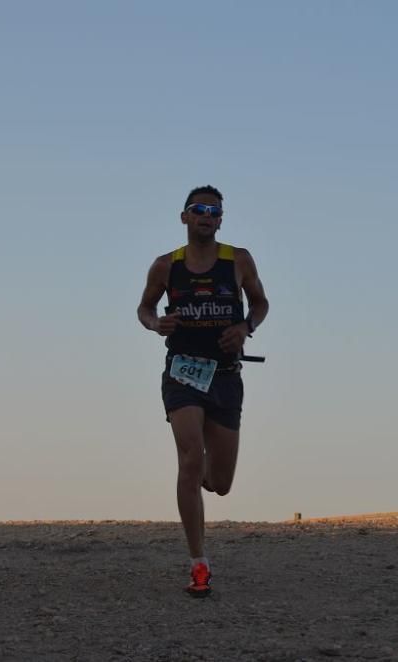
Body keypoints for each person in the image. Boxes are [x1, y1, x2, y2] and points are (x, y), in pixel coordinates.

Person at [137, 185, 269, 597]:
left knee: (221, 481)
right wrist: (156, 323)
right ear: (185, 217)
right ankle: (198, 562)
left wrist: (245, 328)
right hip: (183, 373)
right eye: (199, 209)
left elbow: (261, 303)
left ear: (220, 220)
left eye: (214, 211)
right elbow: (144, 308)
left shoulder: (238, 260)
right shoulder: (165, 266)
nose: (206, 216)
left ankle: (207, 467)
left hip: (226, 376)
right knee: (190, 459)